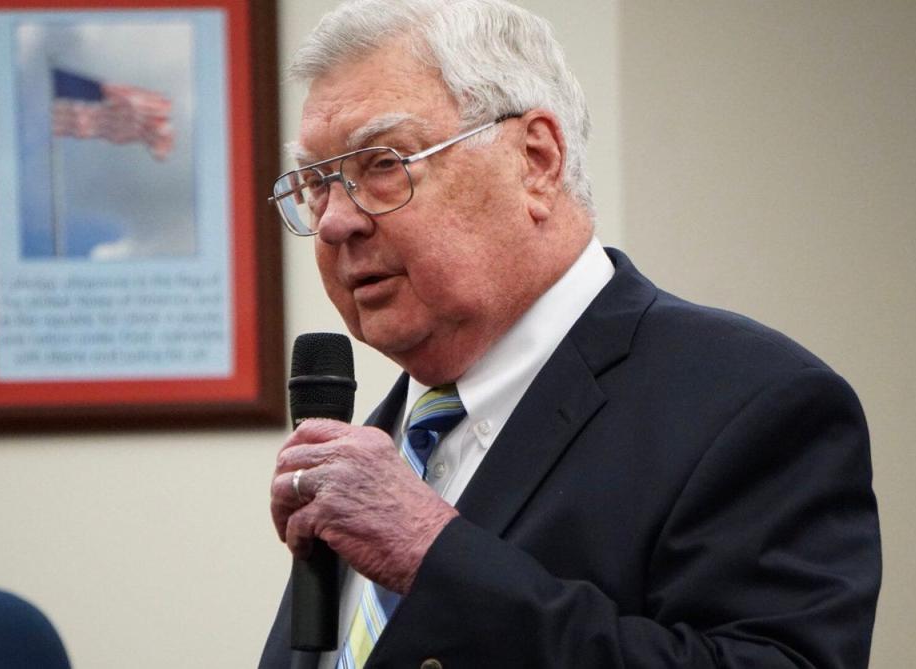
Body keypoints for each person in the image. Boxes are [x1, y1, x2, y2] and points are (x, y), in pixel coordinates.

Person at [260, 1, 881, 667]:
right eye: (317, 183)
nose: (333, 223)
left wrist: (435, 553)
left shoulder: (755, 404)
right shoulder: (382, 448)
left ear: (536, 160)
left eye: (382, 163)